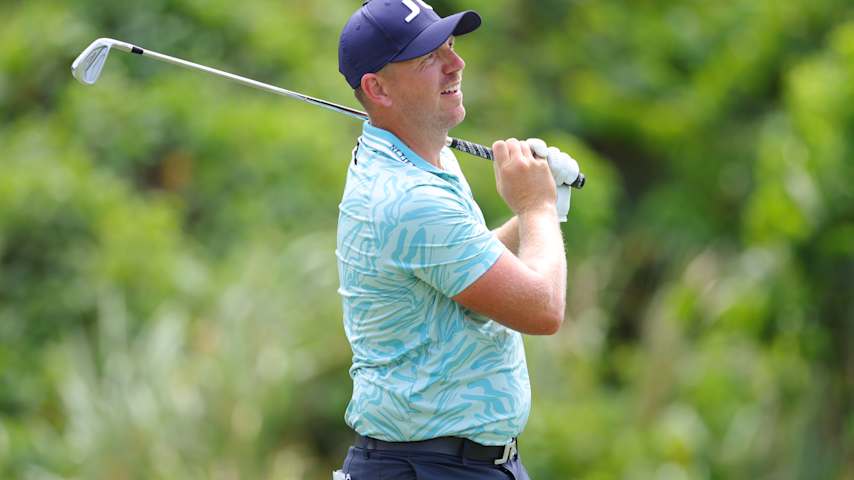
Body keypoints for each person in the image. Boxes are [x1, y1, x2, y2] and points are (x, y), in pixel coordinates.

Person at [334, 1, 575, 478]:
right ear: (376, 88)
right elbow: (542, 309)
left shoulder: (426, 156)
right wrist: (536, 208)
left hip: (459, 463)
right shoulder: (409, 197)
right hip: (428, 466)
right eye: (428, 58)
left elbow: (467, 266)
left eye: (450, 46)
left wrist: (548, 207)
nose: (455, 64)